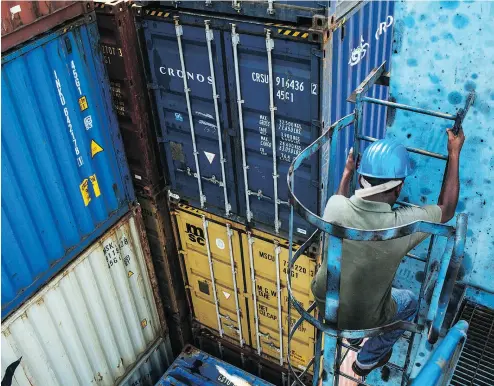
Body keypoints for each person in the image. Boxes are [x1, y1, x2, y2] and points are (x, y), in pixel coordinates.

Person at [311, 127, 465, 376]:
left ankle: (351, 338)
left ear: (362, 177)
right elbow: (445, 210)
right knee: (410, 302)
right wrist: (454, 152)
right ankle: (367, 360)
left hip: (324, 302)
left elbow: (340, 197)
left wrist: (347, 172)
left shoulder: (334, 207)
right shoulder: (401, 227)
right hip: (362, 316)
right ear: (398, 188)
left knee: (352, 288)